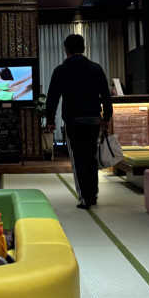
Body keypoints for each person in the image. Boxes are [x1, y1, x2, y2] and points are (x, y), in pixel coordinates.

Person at [45, 34, 113, 209]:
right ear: (83, 48)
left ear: (66, 49)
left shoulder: (61, 70)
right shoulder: (96, 68)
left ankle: (85, 197)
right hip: (93, 120)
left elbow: (52, 98)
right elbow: (106, 95)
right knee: (91, 158)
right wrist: (107, 117)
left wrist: (50, 120)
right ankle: (93, 194)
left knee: (78, 159)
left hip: (73, 121)